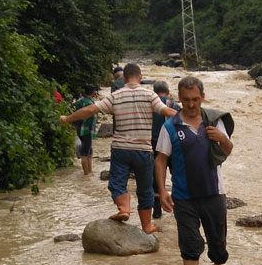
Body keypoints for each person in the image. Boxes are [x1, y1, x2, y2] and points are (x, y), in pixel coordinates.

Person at [60, 63, 177, 232]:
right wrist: (193, 120)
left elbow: (91, 109)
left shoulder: (116, 96)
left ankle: (124, 209)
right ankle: (146, 226)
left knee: (117, 184)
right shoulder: (150, 95)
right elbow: (167, 111)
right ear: (141, 77)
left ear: (123, 78)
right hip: (143, 150)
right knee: (145, 190)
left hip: (121, 149)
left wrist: (68, 118)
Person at [155, 74, 234, 265]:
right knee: (189, 243)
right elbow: (160, 160)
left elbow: (228, 150)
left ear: (203, 97)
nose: (191, 105)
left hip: (214, 192)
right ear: (179, 98)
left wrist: (221, 138)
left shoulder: (214, 121)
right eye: (186, 100)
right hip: (183, 196)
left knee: (218, 242)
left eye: (195, 99)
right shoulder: (171, 126)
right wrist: (162, 191)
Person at [150, 79, 177, 223]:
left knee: (156, 178)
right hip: (172, 144)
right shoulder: (174, 105)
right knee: (176, 176)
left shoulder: (150, 105)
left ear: (154, 92)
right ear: (167, 92)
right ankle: (177, 209)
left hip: (153, 144)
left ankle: (157, 212)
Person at [72, 84, 98, 175]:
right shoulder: (90, 104)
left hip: (80, 129)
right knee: (86, 153)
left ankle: (89, 172)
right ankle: (86, 174)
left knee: (88, 151)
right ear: (94, 92)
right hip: (87, 129)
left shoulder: (79, 101)